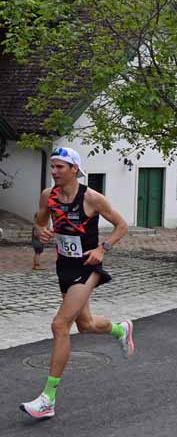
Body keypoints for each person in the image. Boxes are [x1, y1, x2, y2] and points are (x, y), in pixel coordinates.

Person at [20, 147, 133, 419]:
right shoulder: (49, 196)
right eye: (53, 167)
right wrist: (42, 231)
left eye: (60, 167)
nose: (54, 171)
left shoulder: (92, 198)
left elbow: (122, 225)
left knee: (60, 325)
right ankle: (121, 329)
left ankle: (48, 398)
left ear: (74, 169)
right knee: (86, 325)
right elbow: (40, 221)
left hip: (88, 266)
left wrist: (102, 249)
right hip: (64, 266)